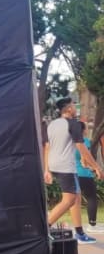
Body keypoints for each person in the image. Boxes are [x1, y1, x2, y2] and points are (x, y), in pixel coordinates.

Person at [44, 97, 102, 244]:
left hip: (54, 165)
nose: (75, 108)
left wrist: (46, 169)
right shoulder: (73, 124)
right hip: (66, 167)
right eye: (74, 106)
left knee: (76, 197)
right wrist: (96, 167)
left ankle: (80, 233)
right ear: (69, 109)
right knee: (69, 200)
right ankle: (44, 228)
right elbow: (81, 147)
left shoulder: (52, 124)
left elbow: (47, 147)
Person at [76, 121, 102, 234]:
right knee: (91, 198)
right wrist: (95, 168)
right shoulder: (84, 141)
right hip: (84, 174)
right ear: (83, 130)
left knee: (71, 201)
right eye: (86, 127)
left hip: (72, 173)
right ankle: (92, 224)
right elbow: (84, 159)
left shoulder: (71, 141)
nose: (87, 129)